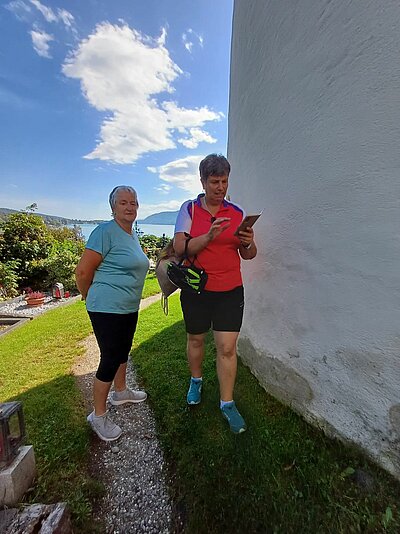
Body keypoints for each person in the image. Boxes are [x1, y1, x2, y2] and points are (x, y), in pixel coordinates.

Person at [173, 154, 257, 433]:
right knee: (196, 339)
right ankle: (196, 381)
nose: (220, 188)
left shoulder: (237, 212)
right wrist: (208, 236)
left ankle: (227, 403)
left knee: (227, 347)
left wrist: (248, 243)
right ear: (202, 181)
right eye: (214, 182)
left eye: (224, 181)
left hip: (230, 290)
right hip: (197, 289)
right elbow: (179, 249)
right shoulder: (189, 210)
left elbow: (249, 255)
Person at [75, 186, 149, 441]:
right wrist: (88, 297)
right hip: (106, 307)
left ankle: (121, 391)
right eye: (123, 203)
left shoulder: (130, 234)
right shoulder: (104, 232)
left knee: (122, 350)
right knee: (109, 358)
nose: (130, 207)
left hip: (128, 306)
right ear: (113, 207)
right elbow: (83, 272)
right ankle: (98, 415)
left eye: (134, 202)